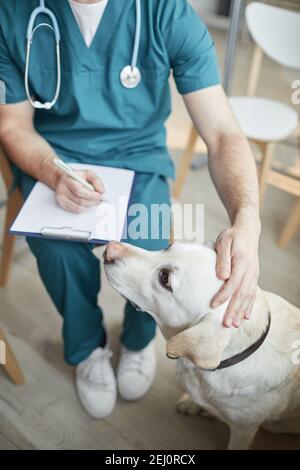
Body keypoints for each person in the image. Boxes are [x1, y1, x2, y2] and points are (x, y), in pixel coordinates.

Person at [0, 0, 261, 418]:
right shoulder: (12, 14)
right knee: (56, 250)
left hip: (137, 157)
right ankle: (88, 348)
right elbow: (13, 125)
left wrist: (247, 220)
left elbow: (223, 132)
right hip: (57, 157)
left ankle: (138, 340)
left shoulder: (164, 12)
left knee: (152, 240)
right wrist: (52, 173)